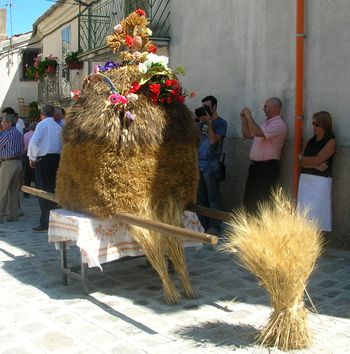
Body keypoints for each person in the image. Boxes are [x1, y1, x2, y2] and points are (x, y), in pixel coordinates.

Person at [240, 97, 288, 213]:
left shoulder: (279, 125)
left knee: (261, 201)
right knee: (249, 200)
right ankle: (249, 228)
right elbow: (247, 135)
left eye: (266, 106)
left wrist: (250, 116)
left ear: (276, 107)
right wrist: (244, 119)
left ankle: (260, 229)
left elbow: (256, 132)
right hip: (256, 167)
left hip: (267, 168)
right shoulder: (265, 123)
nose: (263, 109)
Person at [297, 111, 336, 232]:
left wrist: (308, 161)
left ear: (325, 125)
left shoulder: (330, 141)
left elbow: (317, 158)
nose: (314, 126)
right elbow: (299, 160)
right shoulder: (309, 141)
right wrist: (315, 165)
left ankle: (316, 244)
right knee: (304, 211)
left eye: (317, 124)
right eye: (313, 123)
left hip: (321, 181)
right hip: (305, 180)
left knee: (318, 212)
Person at [28, 104, 62, 232]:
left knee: (43, 191)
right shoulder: (58, 126)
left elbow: (34, 142)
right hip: (56, 160)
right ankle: (56, 221)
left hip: (45, 161)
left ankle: (45, 222)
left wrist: (32, 157)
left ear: (42, 114)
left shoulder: (42, 125)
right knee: (55, 190)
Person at [196, 95, 228, 235]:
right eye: (203, 107)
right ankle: (203, 224)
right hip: (200, 163)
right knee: (201, 198)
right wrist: (198, 122)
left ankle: (215, 226)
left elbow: (214, 141)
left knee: (213, 197)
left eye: (207, 108)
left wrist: (209, 123)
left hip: (212, 164)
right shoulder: (201, 123)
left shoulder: (221, 123)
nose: (205, 110)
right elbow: (196, 140)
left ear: (214, 107)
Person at [0, 113, 23, 223]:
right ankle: (13, 216)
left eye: (3, 122)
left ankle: (0, 216)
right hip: (18, 162)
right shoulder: (18, 133)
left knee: (2, 191)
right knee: (14, 192)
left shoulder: (7, 134)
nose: (2, 124)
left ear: (9, 122)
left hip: (8, 163)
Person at [22, 122, 37, 198]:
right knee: (36, 175)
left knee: (27, 175)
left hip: (26, 155)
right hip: (35, 156)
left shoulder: (25, 135)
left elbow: (24, 146)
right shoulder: (36, 134)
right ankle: (38, 193)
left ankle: (26, 193)